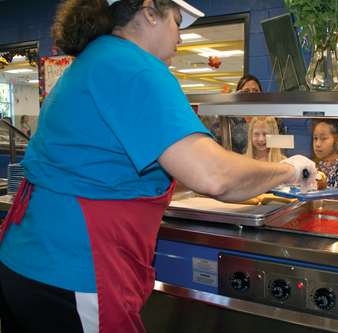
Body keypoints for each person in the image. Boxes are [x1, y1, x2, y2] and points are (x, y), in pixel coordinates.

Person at [0, 1, 317, 332]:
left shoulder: (94, 60)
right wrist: (290, 170)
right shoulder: (136, 67)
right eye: (178, 22)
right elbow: (216, 177)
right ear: (149, 11)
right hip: (75, 269)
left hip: (24, 262)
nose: (181, 36)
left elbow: (119, 168)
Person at [205, 74, 288, 155]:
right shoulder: (229, 117)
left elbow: (282, 150)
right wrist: (232, 104)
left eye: (255, 90)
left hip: (266, 167)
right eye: (246, 91)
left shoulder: (272, 118)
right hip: (237, 167)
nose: (251, 94)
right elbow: (213, 143)